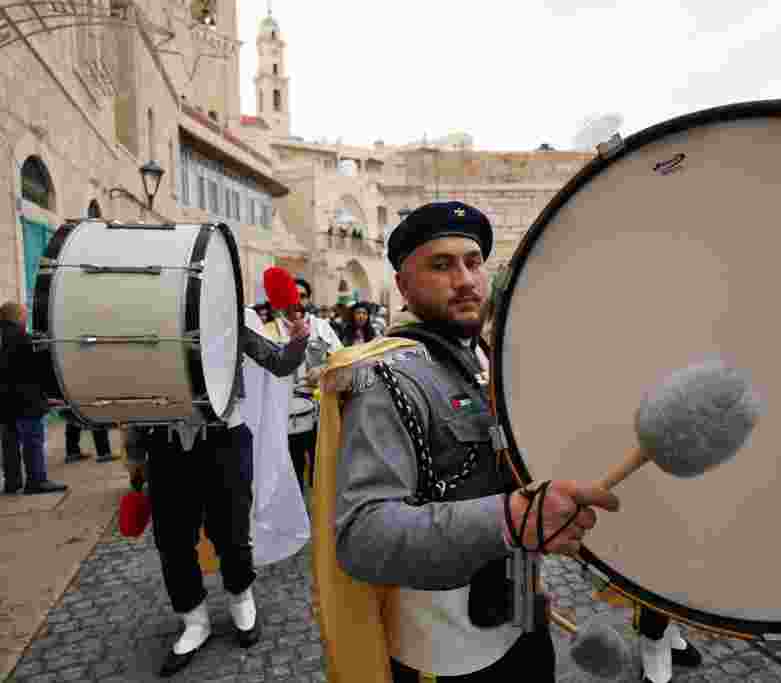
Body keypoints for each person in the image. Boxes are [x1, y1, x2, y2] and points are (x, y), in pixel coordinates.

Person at [333, 201, 621, 681]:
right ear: (403, 286)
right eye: (441, 265)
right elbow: (362, 536)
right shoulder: (386, 377)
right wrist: (510, 519)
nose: (465, 279)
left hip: (522, 611)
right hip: (451, 654)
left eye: (473, 261)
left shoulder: (487, 356)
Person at [124, 312, 310, 677]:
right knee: (173, 540)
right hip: (165, 445)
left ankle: (242, 599)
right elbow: (135, 394)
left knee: (232, 531)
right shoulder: (146, 324)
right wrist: (134, 455)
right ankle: (194, 619)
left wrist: (299, 339)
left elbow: (279, 362)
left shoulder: (228, 321)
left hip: (225, 440)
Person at [263, 277, 342, 494]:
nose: (296, 301)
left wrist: (323, 370)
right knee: (291, 469)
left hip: (320, 409)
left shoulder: (321, 327)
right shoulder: (268, 330)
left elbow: (339, 359)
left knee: (323, 470)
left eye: (303, 296)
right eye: (292, 295)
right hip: (285, 413)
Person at [0, 301, 67, 495]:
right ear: (18, 316)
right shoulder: (23, 338)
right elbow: (38, 370)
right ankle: (36, 481)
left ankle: (12, 481)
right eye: (24, 314)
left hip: (5, 401)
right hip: (26, 400)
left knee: (9, 442)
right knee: (32, 440)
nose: (26, 317)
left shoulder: (4, 337)